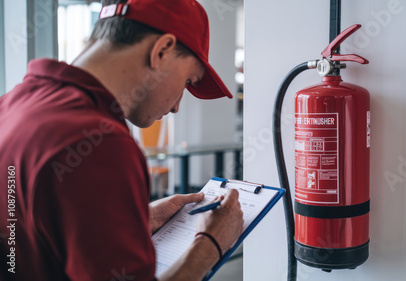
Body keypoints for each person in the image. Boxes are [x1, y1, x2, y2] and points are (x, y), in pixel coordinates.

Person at [0, 0, 244, 280]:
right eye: (188, 81)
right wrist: (210, 244)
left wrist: (133, 221)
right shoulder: (100, 143)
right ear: (162, 51)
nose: (177, 106)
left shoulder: (13, 103)